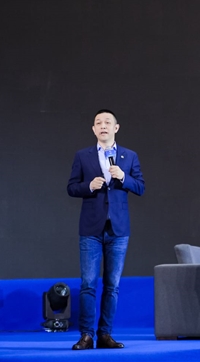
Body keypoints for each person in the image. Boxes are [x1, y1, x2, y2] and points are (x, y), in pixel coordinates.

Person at [67, 109, 145, 350]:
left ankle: (105, 335)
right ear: (93, 129)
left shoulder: (129, 156)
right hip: (91, 228)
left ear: (116, 128)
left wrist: (123, 177)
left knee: (112, 285)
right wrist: (89, 186)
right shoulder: (83, 156)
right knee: (88, 283)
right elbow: (71, 187)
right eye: (98, 123)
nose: (103, 126)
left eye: (107, 122)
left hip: (118, 230)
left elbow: (140, 187)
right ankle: (86, 335)